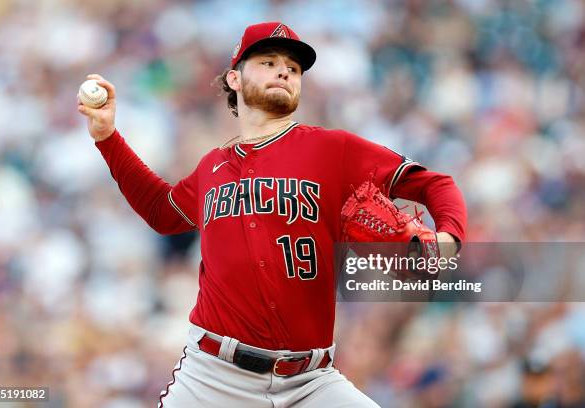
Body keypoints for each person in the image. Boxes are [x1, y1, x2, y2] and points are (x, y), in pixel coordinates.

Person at [78, 21, 467, 408]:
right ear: (234, 78)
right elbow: (162, 212)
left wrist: (449, 238)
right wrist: (107, 138)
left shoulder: (333, 150)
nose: (284, 70)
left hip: (311, 382)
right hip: (213, 378)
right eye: (268, 61)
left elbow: (435, 184)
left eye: (294, 68)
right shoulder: (212, 167)